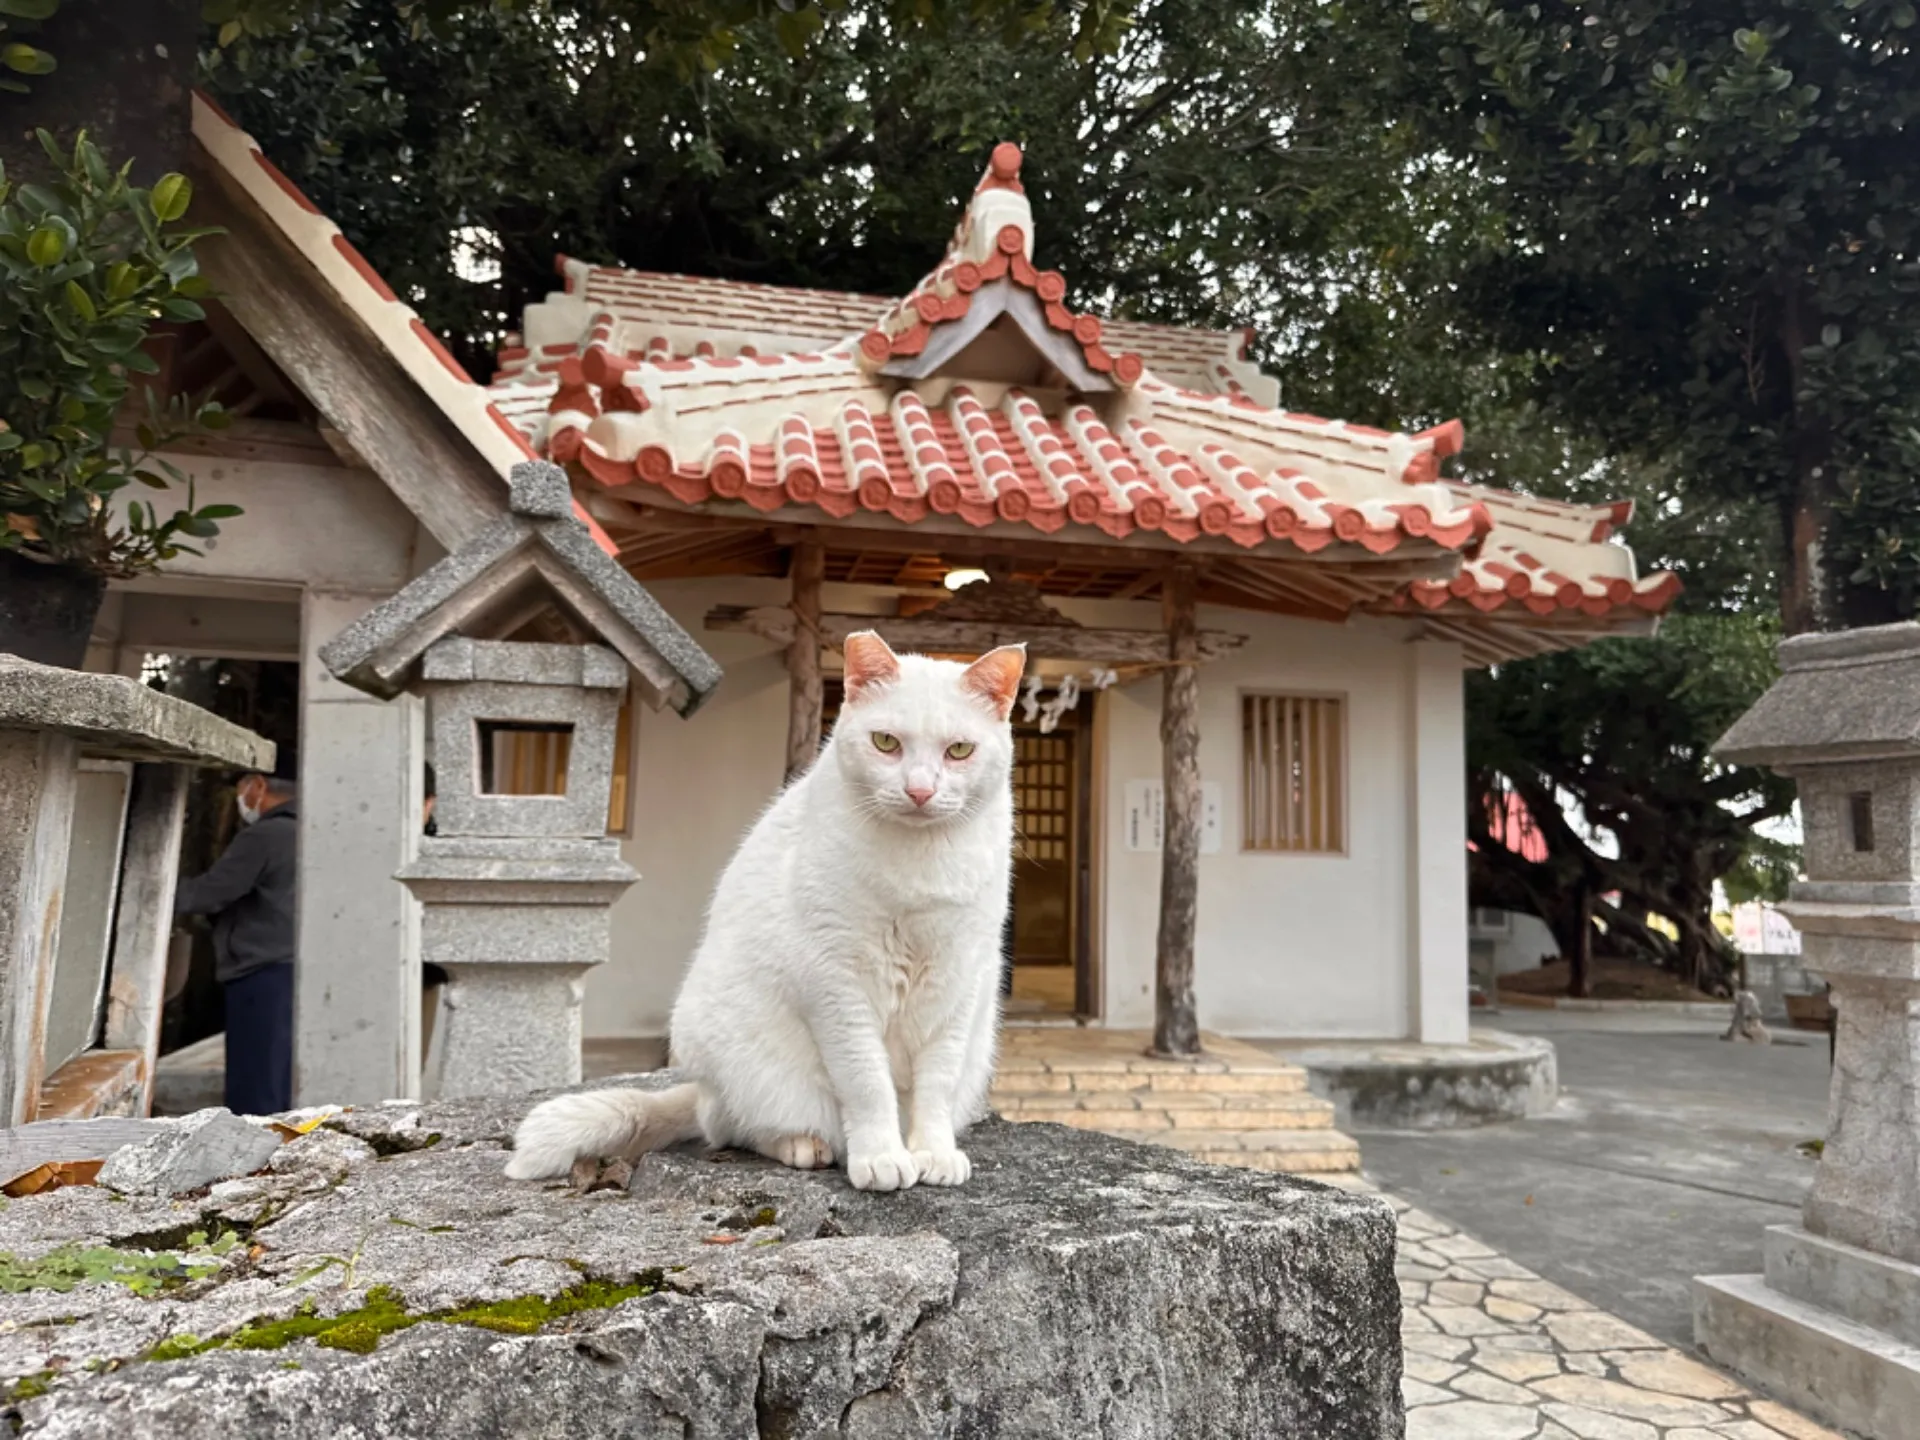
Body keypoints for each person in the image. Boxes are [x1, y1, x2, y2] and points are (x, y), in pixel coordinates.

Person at [174, 762, 298, 1115]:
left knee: (255, 1089)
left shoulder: (266, 836)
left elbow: (208, 894)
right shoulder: (315, 829)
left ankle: (255, 1165)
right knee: (279, 1080)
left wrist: (150, 887)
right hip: (294, 968)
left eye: (241, 789)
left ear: (258, 785)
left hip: (262, 972)